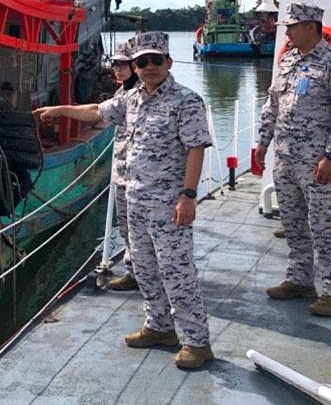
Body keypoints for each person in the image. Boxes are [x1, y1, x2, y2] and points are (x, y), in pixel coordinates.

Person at [33, 31, 213, 369]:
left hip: (168, 205)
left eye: (155, 60)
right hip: (135, 199)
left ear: (168, 62)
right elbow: (95, 111)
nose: (149, 67)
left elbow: (196, 149)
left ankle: (197, 342)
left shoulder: (186, 101)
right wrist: (60, 109)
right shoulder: (132, 99)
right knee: (144, 269)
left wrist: (188, 195)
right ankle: (159, 327)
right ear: (136, 67)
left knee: (176, 272)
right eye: (142, 62)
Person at [256, 2, 331, 316]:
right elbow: (273, 104)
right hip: (285, 158)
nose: (287, 32)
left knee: (325, 226)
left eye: (292, 26)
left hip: (317, 163)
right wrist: (262, 142)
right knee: (293, 222)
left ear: (311, 27)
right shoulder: (288, 60)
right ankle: (300, 279)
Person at [105, 39, 139, 292]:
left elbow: (96, 112)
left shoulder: (139, 94)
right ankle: (134, 272)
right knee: (127, 227)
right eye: (114, 64)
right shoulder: (122, 92)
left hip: (141, 176)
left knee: (141, 230)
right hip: (122, 172)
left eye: (122, 64)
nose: (117, 68)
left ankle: (144, 274)